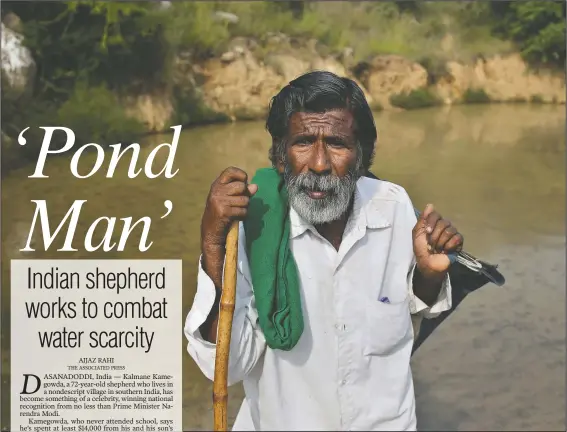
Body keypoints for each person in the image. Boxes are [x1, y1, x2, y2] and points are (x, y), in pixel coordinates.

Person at [184, 70, 464, 431]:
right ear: (280, 156)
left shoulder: (392, 206)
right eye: (302, 142)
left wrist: (429, 275)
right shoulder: (254, 227)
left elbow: (411, 311)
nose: (318, 163)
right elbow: (225, 367)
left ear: (362, 156)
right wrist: (211, 241)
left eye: (337, 143)